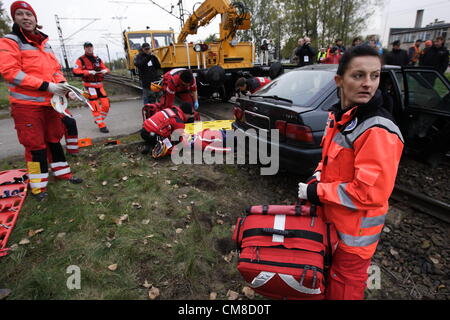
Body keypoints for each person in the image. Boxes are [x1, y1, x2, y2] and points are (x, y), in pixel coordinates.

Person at [297, 45, 404, 300]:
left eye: (375, 76)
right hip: (333, 225)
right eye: (358, 75)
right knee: (324, 278)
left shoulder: (377, 130)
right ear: (339, 80)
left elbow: (369, 194)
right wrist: (317, 175)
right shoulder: (340, 117)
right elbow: (329, 160)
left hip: (354, 238)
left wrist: (317, 192)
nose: (368, 84)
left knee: (343, 289)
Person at [0, 1, 83, 201]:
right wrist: (47, 86)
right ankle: (38, 187)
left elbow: (55, 71)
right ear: (15, 19)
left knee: (54, 139)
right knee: (35, 145)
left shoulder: (46, 44)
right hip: (27, 107)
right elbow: (11, 72)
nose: (26, 17)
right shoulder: (9, 41)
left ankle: (63, 174)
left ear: (35, 19)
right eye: (20, 14)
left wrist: (65, 88)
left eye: (29, 14)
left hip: (51, 104)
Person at [73, 42, 111, 133]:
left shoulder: (97, 59)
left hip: (100, 86)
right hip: (90, 87)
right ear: (84, 49)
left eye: (90, 47)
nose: (89, 49)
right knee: (95, 107)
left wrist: (106, 70)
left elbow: (106, 68)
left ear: (93, 48)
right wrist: (87, 72)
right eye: (87, 47)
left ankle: (99, 119)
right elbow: (75, 71)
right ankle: (101, 125)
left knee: (106, 105)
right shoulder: (80, 60)